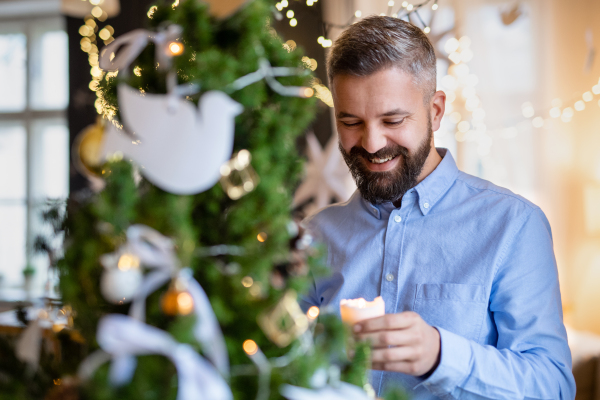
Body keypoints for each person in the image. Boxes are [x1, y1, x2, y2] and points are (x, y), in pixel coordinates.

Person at [301, 16, 576, 399]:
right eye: (351, 122)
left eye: (392, 119)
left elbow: (553, 386)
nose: (372, 142)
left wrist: (441, 354)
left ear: (435, 111)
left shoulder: (514, 225)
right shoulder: (314, 235)